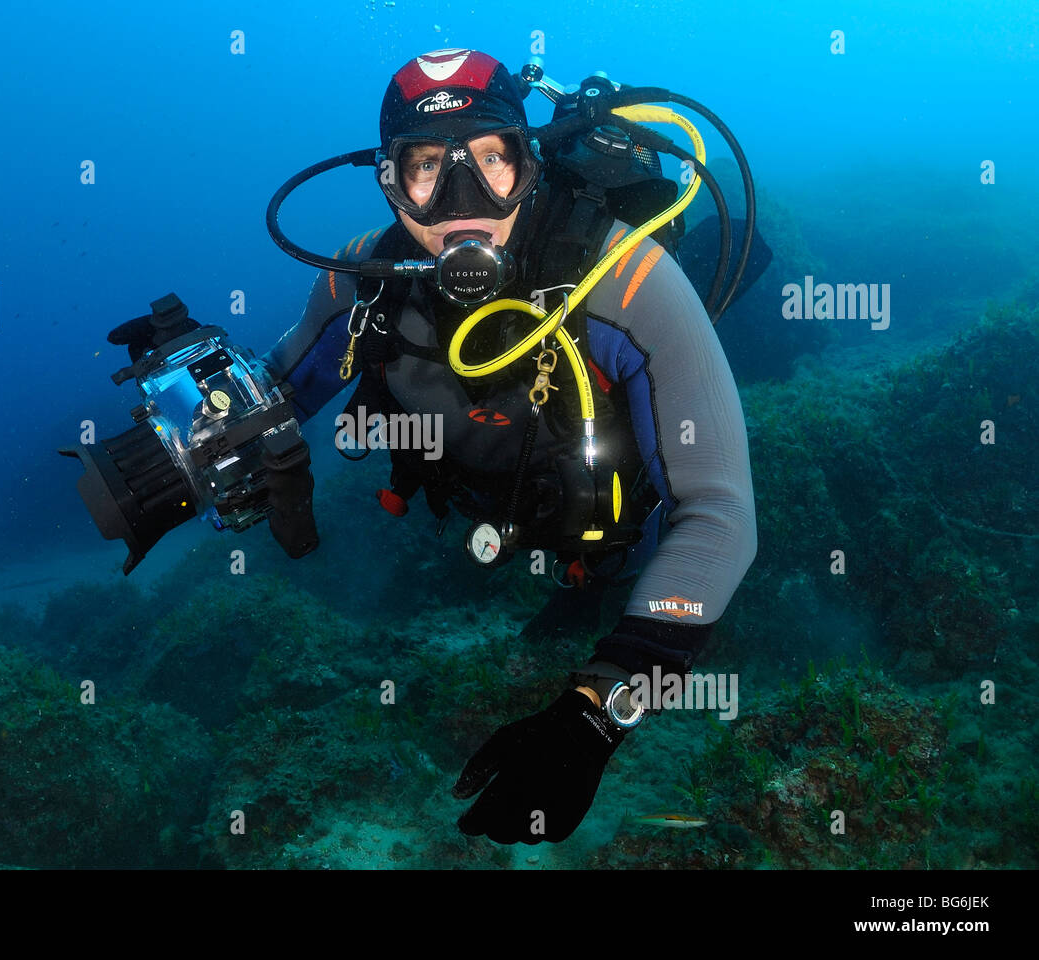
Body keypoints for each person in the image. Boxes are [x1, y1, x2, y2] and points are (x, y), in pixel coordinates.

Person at [256, 49, 758, 845]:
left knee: (629, 548)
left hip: (602, 520)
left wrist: (600, 712)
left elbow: (721, 513)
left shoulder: (625, 275)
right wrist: (189, 422)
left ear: (529, 165)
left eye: (492, 160)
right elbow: (268, 390)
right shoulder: (365, 274)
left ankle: (592, 578)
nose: (464, 203)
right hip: (483, 502)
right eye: (425, 167)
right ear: (390, 183)